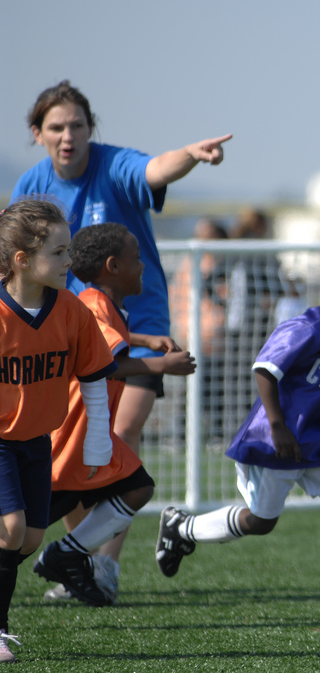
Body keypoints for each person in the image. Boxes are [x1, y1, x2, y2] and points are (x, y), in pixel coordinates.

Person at [154, 242, 320, 623]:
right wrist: (277, 426)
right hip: (281, 439)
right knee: (261, 522)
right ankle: (182, 528)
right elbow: (264, 369)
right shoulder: (308, 327)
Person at [12, 80, 230, 457]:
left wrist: (190, 155)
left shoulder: (114, 165)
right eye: (57, 127)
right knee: (72, 445)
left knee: (121, 432)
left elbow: (155, 169)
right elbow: (14, 254)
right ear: (37, 133)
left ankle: (116, 508)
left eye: (77, 125)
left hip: (141, 320)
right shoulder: (31, 185)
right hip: (69, 331)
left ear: (90, 128)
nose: (68, 136)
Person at [33, 223, 196, 606]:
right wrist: (161, 364)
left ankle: (67, 554)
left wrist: (141, 340)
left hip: (91, 432)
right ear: (113, 266)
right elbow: (105, 366)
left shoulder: (100, 304)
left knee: (138, 486)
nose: (143, 266)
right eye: (136, 258)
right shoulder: (93, 302)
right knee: (21, 533)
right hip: (72, 432)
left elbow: (102, 336)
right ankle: (64, 555)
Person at [0, 198, 118, 662]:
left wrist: (98, 438)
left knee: (29, 539)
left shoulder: (70, 310)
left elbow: (92, 375)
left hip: (36, 442)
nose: (70, 261)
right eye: (60, 251)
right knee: (10, 530)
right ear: (22, 260)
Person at [170, 218, 229, 441]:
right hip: (191, 334)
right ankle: (180, 436)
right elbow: (177, 297)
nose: (200, 238)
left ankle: (215, 435)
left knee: (214, 390)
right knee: (186, 389)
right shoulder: (190, 262)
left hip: (215, 337)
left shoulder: (222, 263)